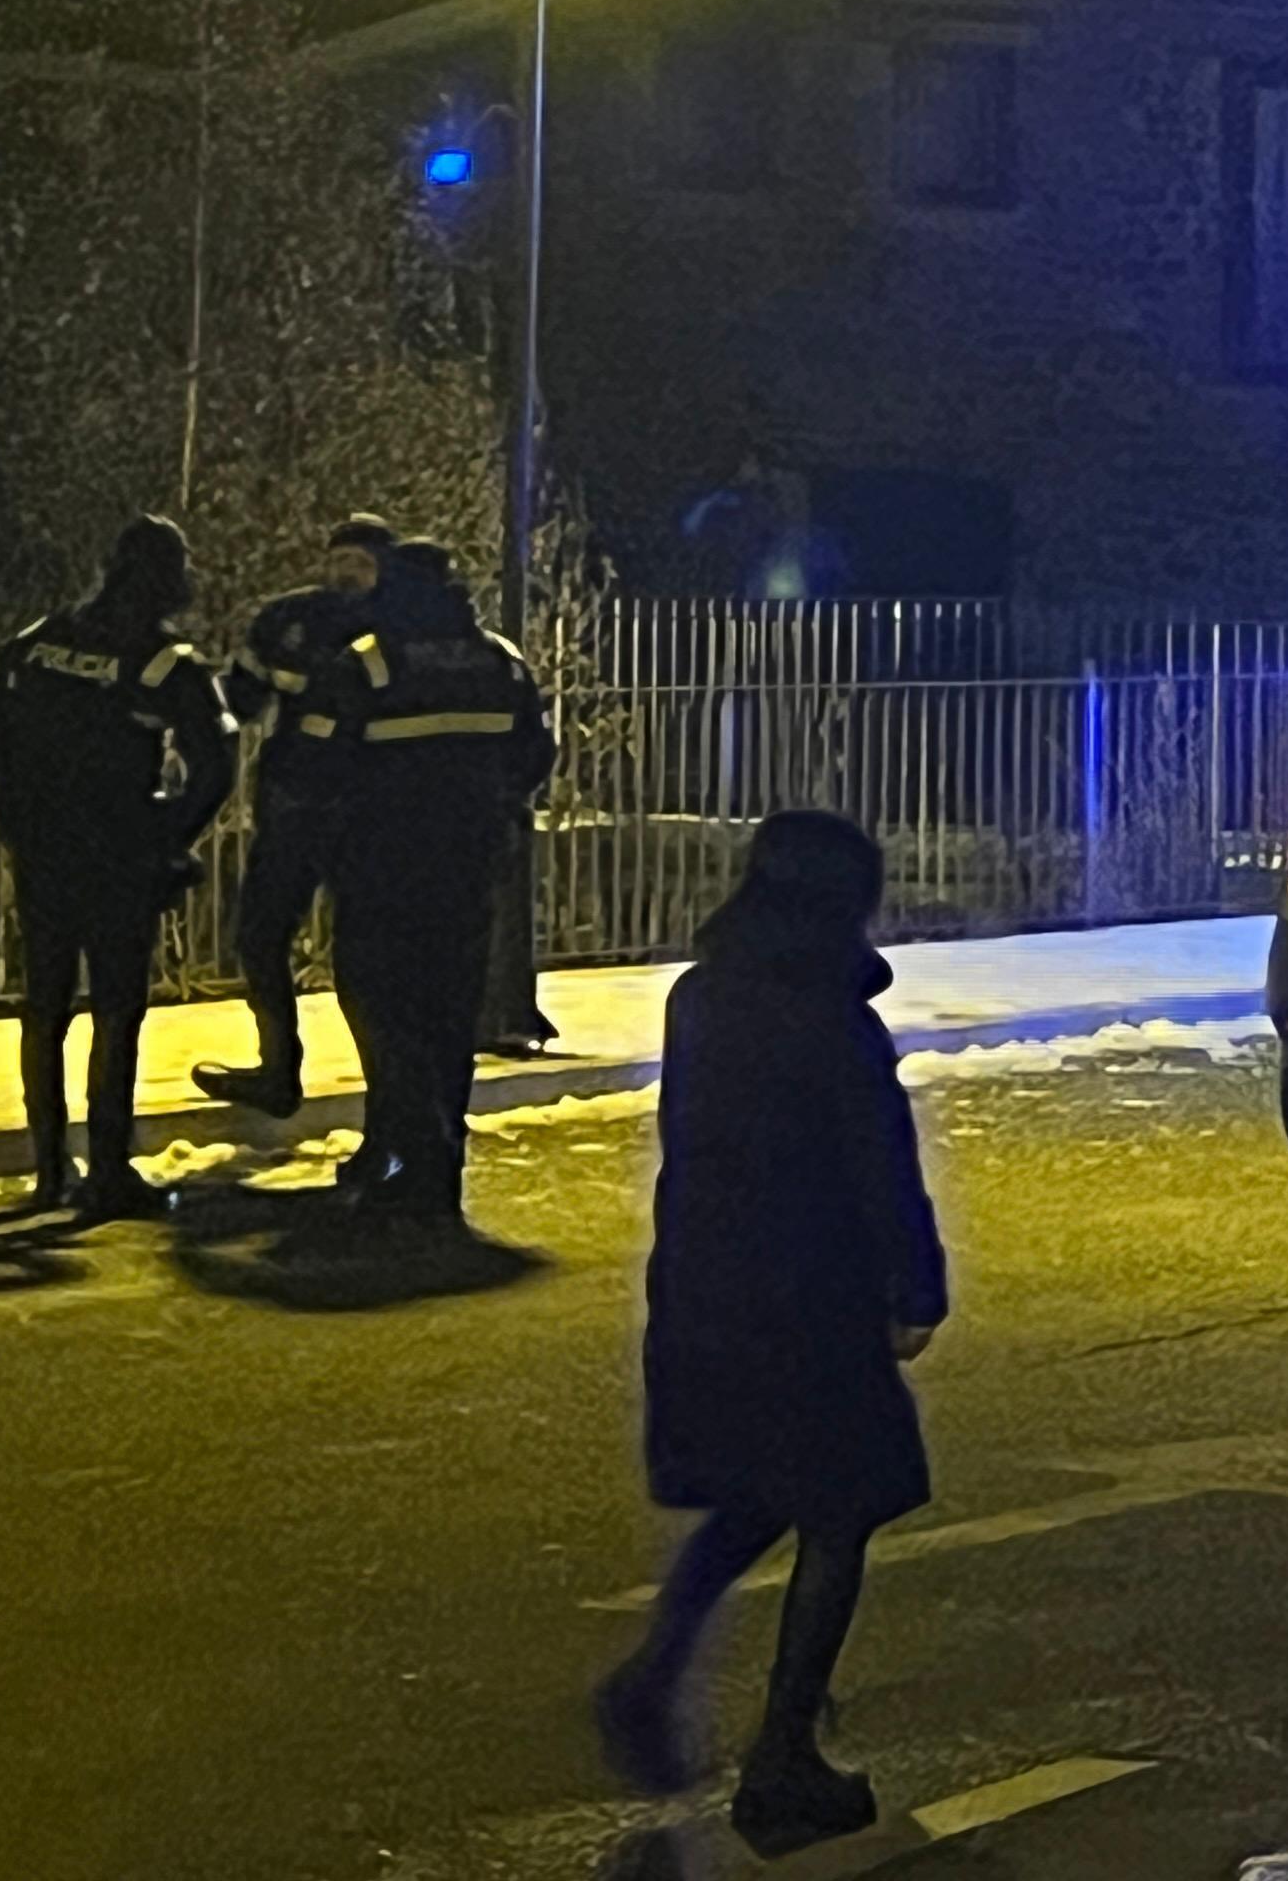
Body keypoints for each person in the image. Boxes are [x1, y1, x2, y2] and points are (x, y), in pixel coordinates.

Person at [594, 811, 946, 1857]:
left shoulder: (705, 996)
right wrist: (912, 1287)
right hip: (814, 1300)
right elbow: (878, 1164)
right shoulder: (829, 1017)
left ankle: (656, 1676)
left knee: (757, 1493)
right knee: (840, 1508)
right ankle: (783, 1755)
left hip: (709, 1286)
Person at [0, 516, 238, 1216]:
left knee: (47, 1006)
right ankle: (110, 1168)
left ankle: (49, 1168)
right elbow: (217, 763)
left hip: (43, 852)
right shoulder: (164, 662)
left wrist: (9, 816)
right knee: (117, 1009)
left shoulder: (42, 641)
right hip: (120, 856)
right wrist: (170, 833)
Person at [321, 539, 551, 1222]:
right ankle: (438, 1160)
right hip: (468, 866)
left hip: (382, 869)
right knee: (450, 1016)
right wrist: (491, 808)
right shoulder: (499, 661)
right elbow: (536, 751)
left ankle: (406, 1145)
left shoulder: (369, 662)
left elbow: (321, 764)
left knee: (381, 1006)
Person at [191, 511, 394, 1118]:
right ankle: (277, 1068)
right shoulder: (291, 619)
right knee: (259, 935)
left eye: (359, 563)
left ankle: (386, 1095)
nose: (345, 574)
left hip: (368, 813)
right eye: (338, 561)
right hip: (293, 805)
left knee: (362, 955)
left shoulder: (402, 627)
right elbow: (245, 699)